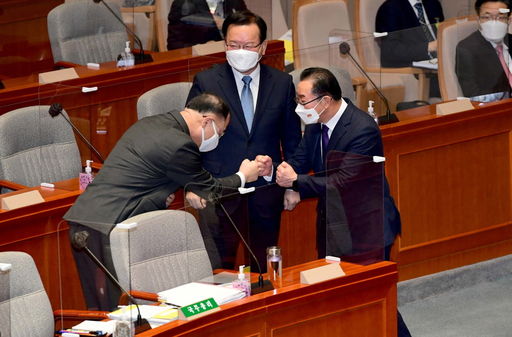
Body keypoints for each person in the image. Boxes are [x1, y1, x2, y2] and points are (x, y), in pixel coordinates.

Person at [64, 93, 260, 310]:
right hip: (108, 227)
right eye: (219, 133)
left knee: (106, 307)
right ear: (207, 121)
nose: (218, 138)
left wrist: (164, 194)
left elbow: (143, 176)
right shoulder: (180, 145)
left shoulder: (150, 123)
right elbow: (210, 189)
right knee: (118, 313)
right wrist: (244, 175)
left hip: (89, 221)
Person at [273, 67, 410, 337]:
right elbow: (300, 162)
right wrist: (275, 171)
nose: (299, 106)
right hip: (334, 227)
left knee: (373, 299)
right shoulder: (315, 125)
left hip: (366, 229)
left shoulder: (362, 129)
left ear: (324, 100)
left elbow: (343, 182)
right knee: (340, 299)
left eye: (302, 100)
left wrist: (297, 183)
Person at [186, 11, 302, 271]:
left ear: (261, 48)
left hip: (266, 190)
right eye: (233, 45)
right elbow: (190, 140)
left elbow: (293, 139)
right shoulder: (206, 81)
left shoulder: (282, 83)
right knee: (219, 268)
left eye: (248, 46)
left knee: (263, 269)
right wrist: (192, 184)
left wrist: (294, 185)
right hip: (220, 191)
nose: (240, 51)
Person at [456, 0, 512, 99]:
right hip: (498, 107)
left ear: (508, 20)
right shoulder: (467, 49)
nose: (494, 22)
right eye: (487, 17)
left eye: (501, 17)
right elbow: (473, 94)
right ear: (478, 20)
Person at [376, 0, 445, 67]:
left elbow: (442, 33)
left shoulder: (433, 4)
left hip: (441, 60)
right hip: (414, 68)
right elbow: (390, 51)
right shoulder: (390, 8)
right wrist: (429, 47)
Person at [167, 0, 247, 50]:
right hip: (199, 63)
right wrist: (202, 48)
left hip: (234, 58)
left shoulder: (236, 2)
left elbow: (248, 27)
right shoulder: (183, 3)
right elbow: (174, 45)